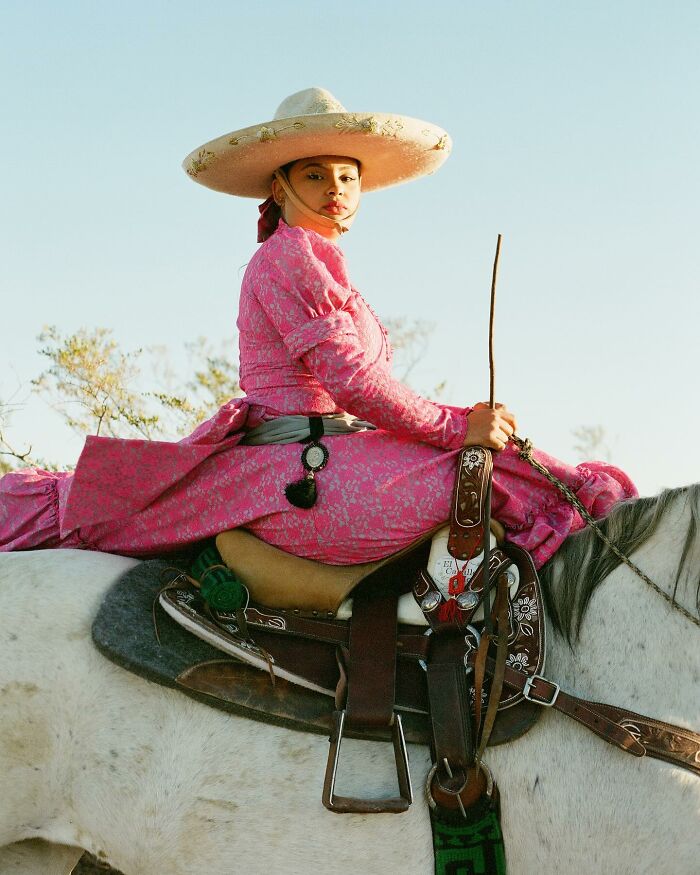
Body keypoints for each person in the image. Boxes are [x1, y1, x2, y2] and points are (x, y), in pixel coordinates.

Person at [0, 88, 637, 568]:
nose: (336, 188)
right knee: (505, 480)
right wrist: (454, 426)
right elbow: (352, 380)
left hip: (336, 452)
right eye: (315, 175)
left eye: (347, 176)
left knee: (516, 470)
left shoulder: (319, 262)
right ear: (278, 185)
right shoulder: (290, 256)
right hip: (305, 468)